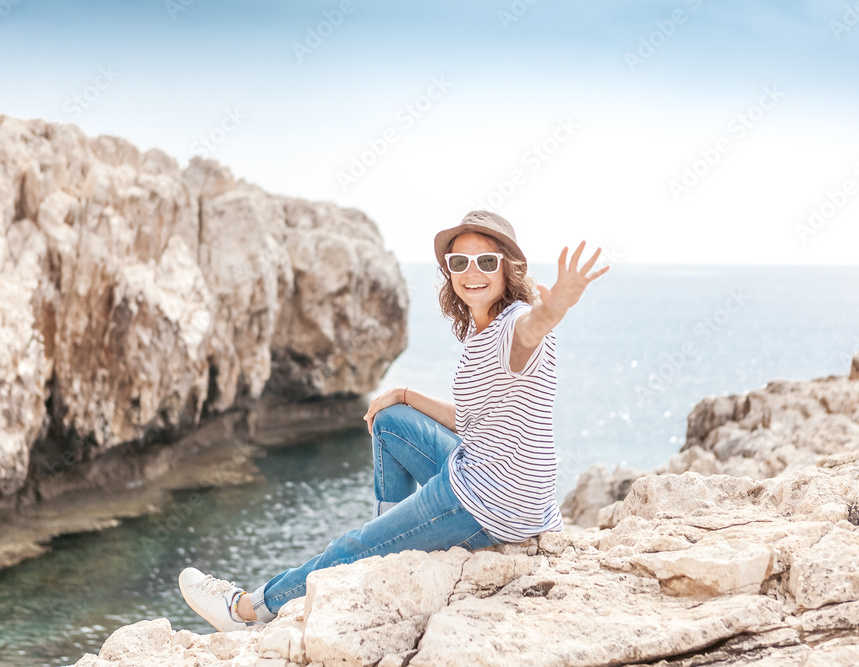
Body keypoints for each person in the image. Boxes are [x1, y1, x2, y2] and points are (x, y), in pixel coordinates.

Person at [178, 210, 609, 631]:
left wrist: (557, 308)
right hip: (518, 496)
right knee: (390, 420)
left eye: (486, 261)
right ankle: (392, 539)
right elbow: (476, 420)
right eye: (459, 262)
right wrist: (403, 394)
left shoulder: (516, 326)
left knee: (352, 545)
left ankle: (246, 610)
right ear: (449, 271)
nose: (471, 271)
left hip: (490, 504)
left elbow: (532, 329)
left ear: (508, 269)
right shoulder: (485, 331)